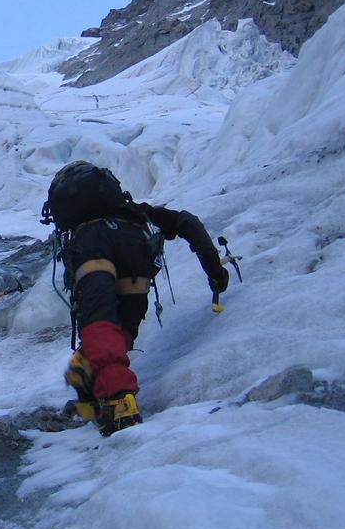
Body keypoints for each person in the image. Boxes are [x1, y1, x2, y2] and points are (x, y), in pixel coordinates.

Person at [44, 162, 229, 436]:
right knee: (121, 332)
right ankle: (89, 384)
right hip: (135, 258)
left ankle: (118, 401)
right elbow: (187, 222)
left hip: (91, 249)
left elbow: (97, 316)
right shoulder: (138, 213)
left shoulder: (83, 229)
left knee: (100, 322)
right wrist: (214, 270)